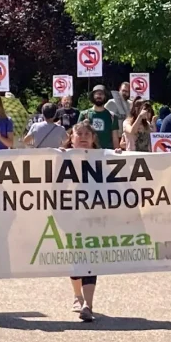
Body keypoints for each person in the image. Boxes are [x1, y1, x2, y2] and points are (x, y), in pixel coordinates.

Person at [62, 121, 104, 322]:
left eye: (88, 133)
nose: (84, 136)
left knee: (91, 257)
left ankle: (88, 304)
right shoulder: (60, 158)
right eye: (80, 133)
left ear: (93, 138)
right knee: (75, 259)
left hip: (93, 216)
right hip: (69, 215)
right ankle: (77, 296)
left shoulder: (104, 158)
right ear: (72, 138)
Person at [80, 85, 121, 150]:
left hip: (107, 154)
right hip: (89, 153)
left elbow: (115, 138)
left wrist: (117, 151)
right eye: (96, 94)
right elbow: (78, 136)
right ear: (93, 96)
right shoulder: (84, 114)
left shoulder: (112, 116)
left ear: (105, 97)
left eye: (101, 94)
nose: (99, 96)